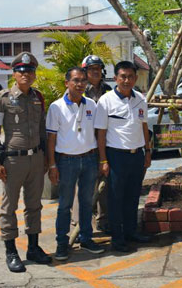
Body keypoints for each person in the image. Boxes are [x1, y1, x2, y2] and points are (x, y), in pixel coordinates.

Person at [0, 52, 51, 273]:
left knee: (34, 205)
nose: (26, 74)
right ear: (14, 73)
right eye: (21, 70)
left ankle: (33, 248)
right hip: (13, 161)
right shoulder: (2, 98)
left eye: (30, 71)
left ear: (34, 75)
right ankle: (11, 252)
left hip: (36, 159)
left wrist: (46, 158)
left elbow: (42, 130)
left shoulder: (38, 97)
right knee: (9, 207)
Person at [46, 67, 105, 260]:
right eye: (76, 80)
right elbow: (51, 139)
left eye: (83, 81)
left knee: (87, 202)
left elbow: (98, 133)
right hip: (66, 161)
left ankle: (86, 238)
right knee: (65, 204)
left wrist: (100, 159)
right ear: (67, 83)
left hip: (88, 159)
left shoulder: (92, 106)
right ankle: (62, 243)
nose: (80, 84)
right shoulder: (56, 107)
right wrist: (52, 165)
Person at [95, 61, 152, 252]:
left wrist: (147, 151)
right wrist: (103, 160)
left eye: (130, 77)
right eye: (123, 77)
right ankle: (117, 239)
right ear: (116, 78)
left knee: (133, 196)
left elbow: (144, 126)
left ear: (136, 78)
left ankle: (131, 232)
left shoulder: (140, 99)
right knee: (115, 199)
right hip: (115, 156)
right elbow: (101, 133)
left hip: (136, 155)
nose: (127, 80)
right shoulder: (106, 101)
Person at [78, 55, 112, 234]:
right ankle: (80, 223)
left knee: (103, 184)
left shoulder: (108, 90)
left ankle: (103, 219)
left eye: (98, 68)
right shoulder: (79, 90)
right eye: (91, 69)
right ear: (85, 71)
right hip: (85, 144)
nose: (95, 71)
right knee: (85, 185)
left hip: (105, 143)